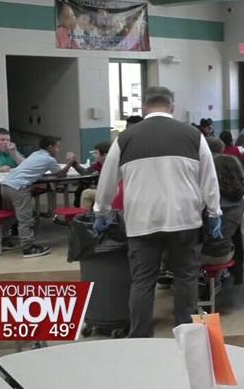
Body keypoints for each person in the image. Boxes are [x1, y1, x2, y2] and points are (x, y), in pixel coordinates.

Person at [93, 86, 221, 338]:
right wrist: (214, 212)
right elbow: (209, 177)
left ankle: (140, 333)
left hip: (142, 221)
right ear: (172, 107)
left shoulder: (125, 138)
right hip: (185, 220)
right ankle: (186, 331)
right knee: (186, 277)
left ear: (143, 108)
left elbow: (107, 180)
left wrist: (102, 211)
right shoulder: (193, 135)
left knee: (142, 280)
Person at [1, 136, 77, 257]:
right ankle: (28, 248)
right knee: (25, 218)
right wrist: (71, 162)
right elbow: (61, 174)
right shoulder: (49, 159)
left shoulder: (36, 154)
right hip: (19, 187)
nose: (58, 149)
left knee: (11, 214)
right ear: (50, 147)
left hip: (6, 184)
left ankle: (3, 238)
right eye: (57, 146)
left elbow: (26, 166)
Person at [200, 154, 244, 266]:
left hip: (199, 253)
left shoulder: (206, 200)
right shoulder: (241, 202)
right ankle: (217, 279)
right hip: (223, 253)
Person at [77, 142, 110, 211]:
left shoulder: (111, 167)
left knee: (86, 193)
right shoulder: (96, 165)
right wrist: (73, 163)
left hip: (111, 193)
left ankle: (85, 217)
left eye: (96, 153)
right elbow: (85, 172)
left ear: (104, 155)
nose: (94, 155)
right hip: (103, 191)